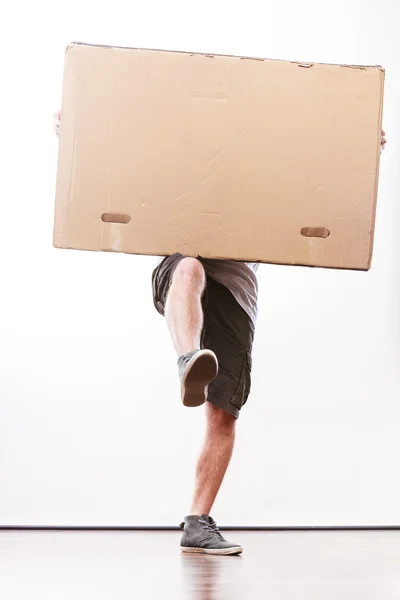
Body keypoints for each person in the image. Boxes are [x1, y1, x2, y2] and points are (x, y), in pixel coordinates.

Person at [54, 111, 386, 554]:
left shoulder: (269, 183)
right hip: (184, 267)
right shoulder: (186, 164)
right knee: (189, 266)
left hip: (236, 294)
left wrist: (364, 152)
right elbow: (125, 165)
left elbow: (322, 192)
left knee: (222, 413)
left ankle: (197, 523)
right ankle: (188, 358)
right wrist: (78, 130)